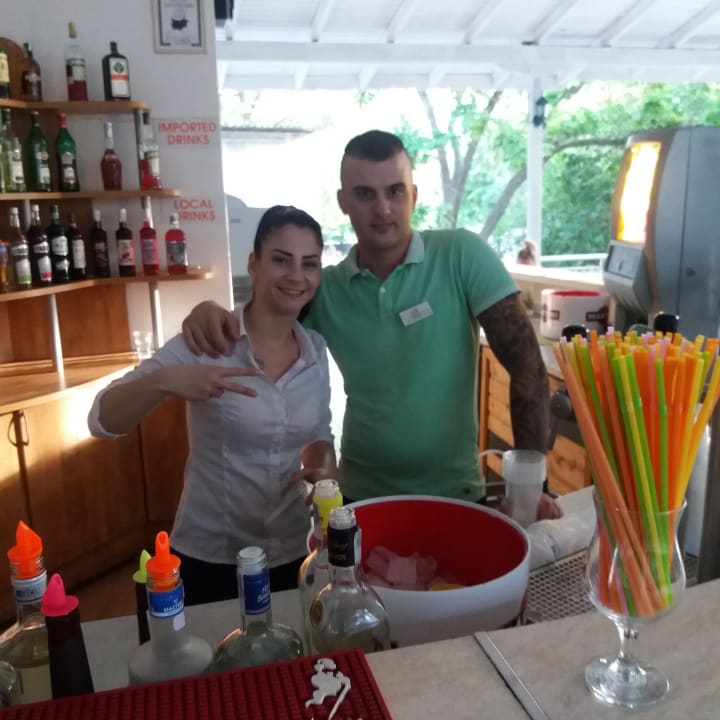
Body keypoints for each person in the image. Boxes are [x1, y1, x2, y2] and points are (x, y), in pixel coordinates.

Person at [182, 131, 561, 520]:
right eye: (365, 194)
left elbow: (526, 362)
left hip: (456, 495)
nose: (383, 209)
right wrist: (209, 310)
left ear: (414, 195)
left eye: (395, 191)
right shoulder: (325, 289)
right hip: (360, 498)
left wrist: (531, 487)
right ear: (343, 202)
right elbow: (260, 325)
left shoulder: (460, 255)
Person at [88, 205, 337, 605]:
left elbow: (319, 431)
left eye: (309, 263)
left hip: (293, 549)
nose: (296, 275)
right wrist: (169, 380)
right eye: (281, 260)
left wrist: (323, 464)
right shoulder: (208, 342)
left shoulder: (315, 351)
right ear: (254, 264)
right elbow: (101, 418)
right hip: (213, 556)